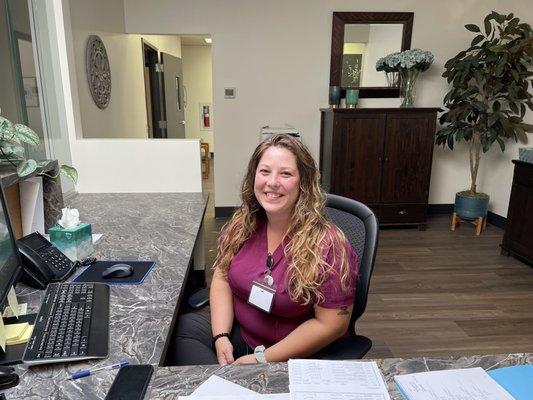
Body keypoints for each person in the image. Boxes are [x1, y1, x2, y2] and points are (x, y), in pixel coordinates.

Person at [169, 134, 359, 365]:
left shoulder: (329, 245)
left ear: (304, 183)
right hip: (245, 335)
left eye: (286, 174)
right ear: (254, 177)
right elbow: (222, 278)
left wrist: (260, 359)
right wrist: (221, 337)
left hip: (294, 356)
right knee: (182, 328)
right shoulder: (244, 224)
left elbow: (332, 325)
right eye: (265, 171)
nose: (272, 182)